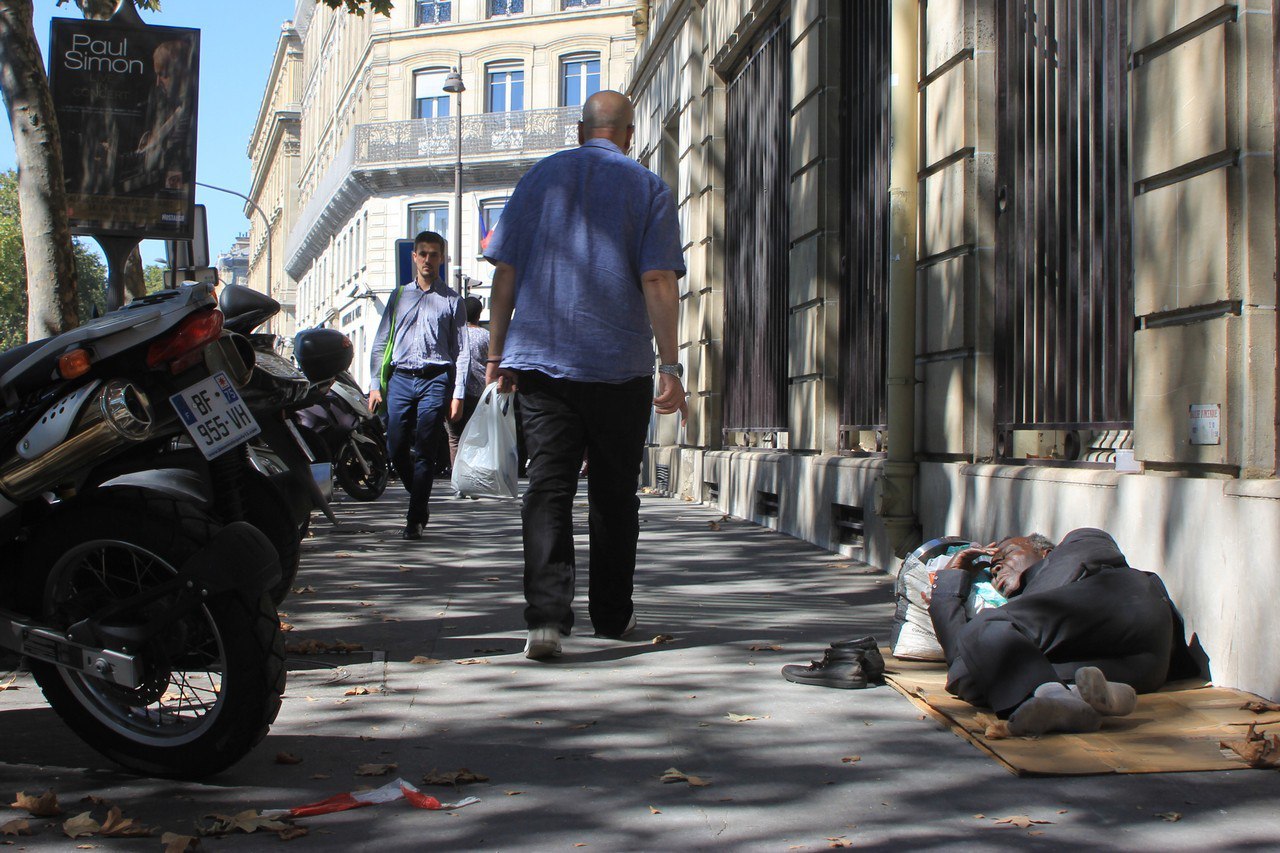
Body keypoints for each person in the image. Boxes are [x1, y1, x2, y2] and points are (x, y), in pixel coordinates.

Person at [483, 90, 687, 661]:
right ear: (629, 134)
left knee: (548, 485)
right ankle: (612, 615)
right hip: (619, 367)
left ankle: (546, 620)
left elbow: (505, 275)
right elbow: (657, 282)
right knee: (615, 492)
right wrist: (669, 366)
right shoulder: (648, 188)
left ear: (579, 131)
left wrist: (496, 356)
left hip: (541, 364)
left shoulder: (537, 180)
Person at [928, 528, 1189, 735]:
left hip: (1127, 599)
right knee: (977, 675)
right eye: (991, 570)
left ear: (1045, 553)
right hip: (1143, 668)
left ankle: (1058, 696)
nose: (995, 569)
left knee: (984, 632)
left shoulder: (1078, 544)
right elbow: (964, 672)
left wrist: (947, 593)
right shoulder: (1030, 615)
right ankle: (1077, 697)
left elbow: (967, 652)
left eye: (1006, 554)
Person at [367, 231, 469, 540]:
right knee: (395, 445)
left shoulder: (452, 300)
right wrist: (375, 384)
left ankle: (415, 519)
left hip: (435, 378)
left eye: (433, 254)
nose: (427, 259)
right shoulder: (399, 296)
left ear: (442, 258)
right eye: (422, 254)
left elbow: (461, 350)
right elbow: (380, 341)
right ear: (414, 257)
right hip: (400, 378)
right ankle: (418, 497)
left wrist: (458, 394)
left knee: (426, 448)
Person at [444, 295, 490, 476]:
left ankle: (458, 478)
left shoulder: (451, 334)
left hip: (455, 392)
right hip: (479, 394)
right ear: (479, 315)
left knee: (455, 438)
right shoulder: (486, 336)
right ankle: (473, 477)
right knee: (476, 437)